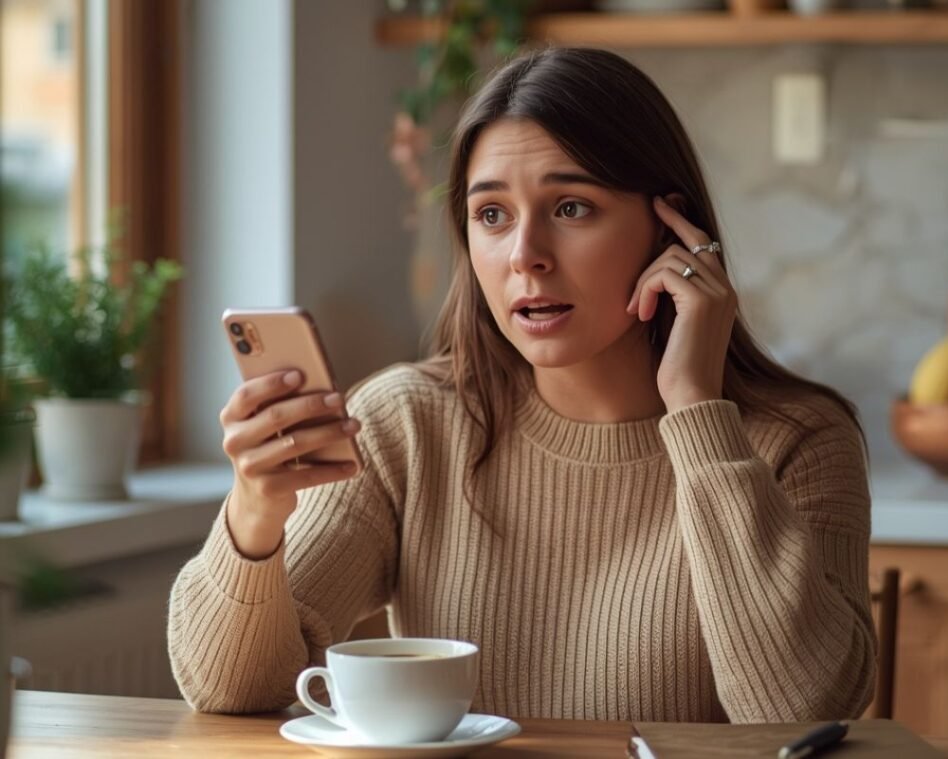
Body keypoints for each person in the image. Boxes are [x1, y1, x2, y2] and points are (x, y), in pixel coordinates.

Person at [168, 47, 876, 724]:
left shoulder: (800, 441)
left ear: (672, 230)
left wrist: (697, 409)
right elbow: (229, 688)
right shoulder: (404, 425)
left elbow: (797, 713)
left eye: (571, 208)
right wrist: (255, 513)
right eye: (492, 215)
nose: (524, 256)